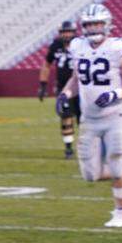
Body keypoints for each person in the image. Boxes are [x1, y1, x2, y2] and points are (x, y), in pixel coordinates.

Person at [57, 3, 122, 228]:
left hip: (116, 116)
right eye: (89, 24)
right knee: (90, 175)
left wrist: (116, 93)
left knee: (114, 166)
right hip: (90, 119)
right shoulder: (77, 46)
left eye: (97, 23)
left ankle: (121, 211)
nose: (94, 28)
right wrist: (65, 94)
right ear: (82, 27)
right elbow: (76, 79)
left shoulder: (119, 47)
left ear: (107, 24)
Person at [38, 20, 80, 158]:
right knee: (66, 116)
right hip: (63, 88)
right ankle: (68, 148)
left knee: (84, 119)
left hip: (81, 87)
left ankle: (88, 146)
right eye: (64, 32)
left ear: (74, 32)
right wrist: (43, 85)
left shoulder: (81, 44)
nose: (67, 34)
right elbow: (46, 65)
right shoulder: (55, 45)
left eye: (69, 32)